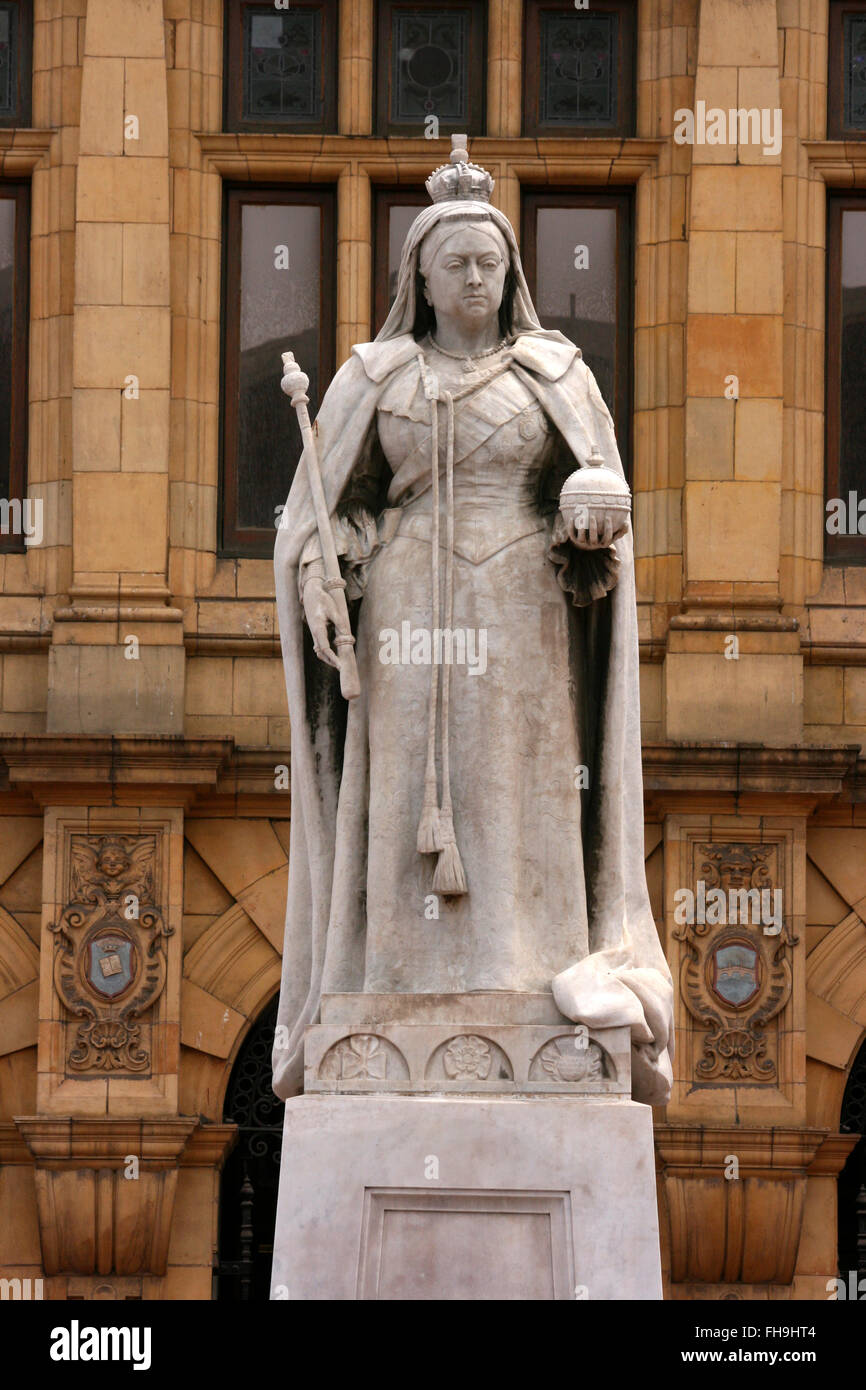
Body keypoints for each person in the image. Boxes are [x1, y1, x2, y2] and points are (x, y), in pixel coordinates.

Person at [272, 140, 673, 1105]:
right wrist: (324, 568)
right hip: (407, 607)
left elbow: (603, 502)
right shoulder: (373, 375)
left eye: (490, 262)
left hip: (528, 608)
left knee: (527, 782)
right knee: (404, 787)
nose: (475, 277)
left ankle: (531, 968)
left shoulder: (557, 373)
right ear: (420, 275)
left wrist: (592, 516)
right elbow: (324, 513)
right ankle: (396, 979)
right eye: (456, 262)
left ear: (511, 272)